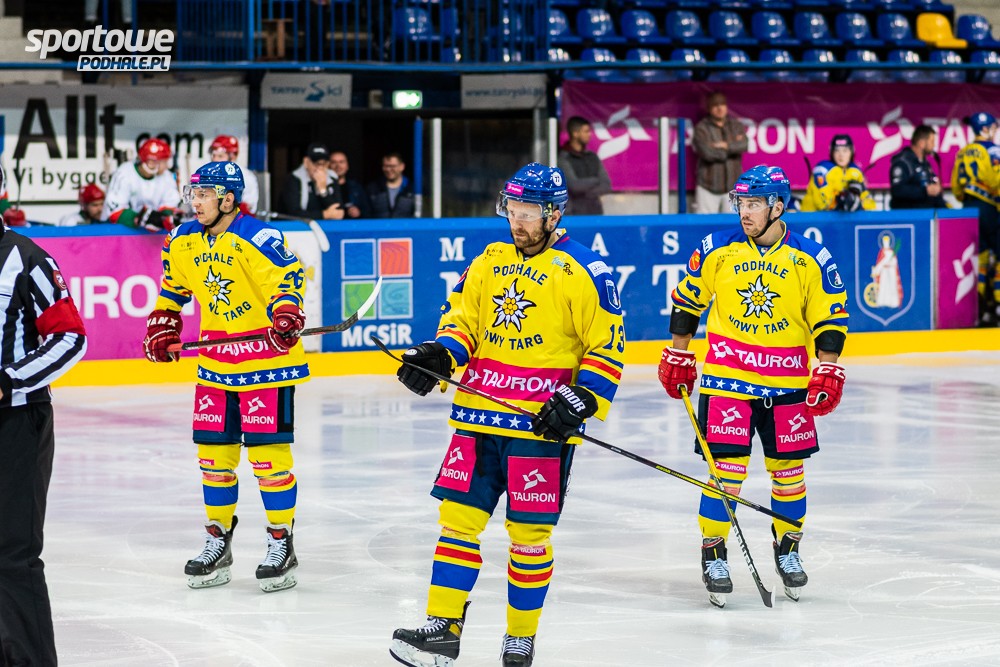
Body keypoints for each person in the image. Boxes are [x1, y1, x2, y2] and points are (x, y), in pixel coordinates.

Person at [389, 162, 625, 667]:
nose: (517, 221)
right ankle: (443, 628)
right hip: (477, 418)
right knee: (457, 524)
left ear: (554, 214)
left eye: (528, 213)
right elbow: (462, 324)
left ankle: (520, 636)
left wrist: (582, 399)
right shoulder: (488, 261)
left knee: (529, 537)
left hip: (539, 428)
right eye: (511, 210)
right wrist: (440, 355)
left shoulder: (585, 270)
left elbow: (607, 347)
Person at [658, 165, 848, 607]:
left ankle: (788, 549)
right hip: (728, 381)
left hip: (788, 384)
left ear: (777, 207)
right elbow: (688, 301)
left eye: (754, 204)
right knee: (725, 472)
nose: (744, 212)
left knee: (789, 473)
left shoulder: (810, 257)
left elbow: (830, 316)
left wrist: (828, 367)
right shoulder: (716, 249)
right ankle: (713, 553)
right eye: (740, 203)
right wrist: (679, 352)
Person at [142, 161, 310, 593]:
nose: (195, 202)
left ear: (229, 199)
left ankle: (281, 543)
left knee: (269, 461)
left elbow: (287, 281)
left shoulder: (259, 236)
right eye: (193, 194)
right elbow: (173, 289)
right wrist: (164, 321)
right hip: (215, 364)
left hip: (267, 365)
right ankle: (218, 539)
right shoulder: (181, 240)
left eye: (204, 195)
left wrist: (285, 312)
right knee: (214, 460)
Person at [0, 165, 88, 666]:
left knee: (12, 553)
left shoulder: (26, 258)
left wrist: (8, 380)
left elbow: (70, 337)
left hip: (16, 424)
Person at [951, 112, 1000, 326]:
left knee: (978, 257)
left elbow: (956, 188)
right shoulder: (993, 150)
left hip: (969, 210)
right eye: (994, 128)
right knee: (997, 256)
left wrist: (967, 197)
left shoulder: (962, 152)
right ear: (985, 129)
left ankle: (978, 307)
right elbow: (996, 180)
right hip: (990, 208)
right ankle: (997, 305)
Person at [102, 137, 182, 232]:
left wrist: (163, 218)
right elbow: (114, 211)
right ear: (151, 162)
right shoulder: (124, 173)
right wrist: (139, 218)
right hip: (121, 234)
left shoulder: (166, 176)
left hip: (151, 237)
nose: (167, 166)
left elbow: (170, 204)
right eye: (164, 161)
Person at [693, 92, 749, 214]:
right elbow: (707, 153)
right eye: (715, 105)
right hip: (708, 186)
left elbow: (744, 145)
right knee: (705, 223)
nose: (719, 108)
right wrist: (731, 147)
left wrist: (724, 146)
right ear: (709, 108)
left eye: (722, 104)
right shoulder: (702, 128)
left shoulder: (735, 125)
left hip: (733, 187)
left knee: (734, 223)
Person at [800, 135, 876, 212]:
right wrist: (841, 201)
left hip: (840, 218)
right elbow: (822, 203)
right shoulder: (822, 170)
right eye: (837, 150)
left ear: (852, 152)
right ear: (831, 152)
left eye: (845, 150)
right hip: (811, 217)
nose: (841, 155)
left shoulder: (855, 172)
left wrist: (858, 204)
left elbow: (870, 206)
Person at [557, 116, 612, 215]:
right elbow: (574, 186)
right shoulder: (563, 158)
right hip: (573, 214)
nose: (589, 135)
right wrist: (596, 180)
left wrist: (588, 192)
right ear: (575, 133)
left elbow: (606, 185)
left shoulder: (592, 157)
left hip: (595, 213)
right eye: (586, 131)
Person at [279, 142, 345, 221]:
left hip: (327, 226)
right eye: (316, 163)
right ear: (306, 162)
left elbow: (338, 212)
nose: (320, 168)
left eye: (324, 164)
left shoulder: (332, 177)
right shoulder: (294, 179)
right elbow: (293, 213)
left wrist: (323, 190)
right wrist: (324, 214)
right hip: (299, 227)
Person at [889, 125, 947, 210]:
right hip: (908, 215)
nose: (934, 145)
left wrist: (946, 211)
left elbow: (931, 191)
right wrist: (925, 191)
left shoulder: (925, 163)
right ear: (921, 143)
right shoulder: (903, 162)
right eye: (932, 142)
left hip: (927, 214)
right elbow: (897, 190)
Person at [210, 135, 260, 215]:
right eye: (213, 155)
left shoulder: (246, 176)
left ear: (233, 157)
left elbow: (249, 209)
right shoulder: (206, 174)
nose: (215, 159)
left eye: (220, 156)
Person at [367, 152, 415, 218]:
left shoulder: (413, 189)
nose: (388, 169)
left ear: (402, 167)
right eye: (385, 166)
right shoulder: (373, 188)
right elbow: (366, 213)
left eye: (392, 166)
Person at [330, 150, 372, 219]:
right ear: (328, 165)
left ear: (347, 166)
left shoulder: (356, 188)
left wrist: (359, 212)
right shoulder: (322, 188)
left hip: (353, 224)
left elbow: (368, 211)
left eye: (341, 162)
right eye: (334, 162)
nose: (338, 166)